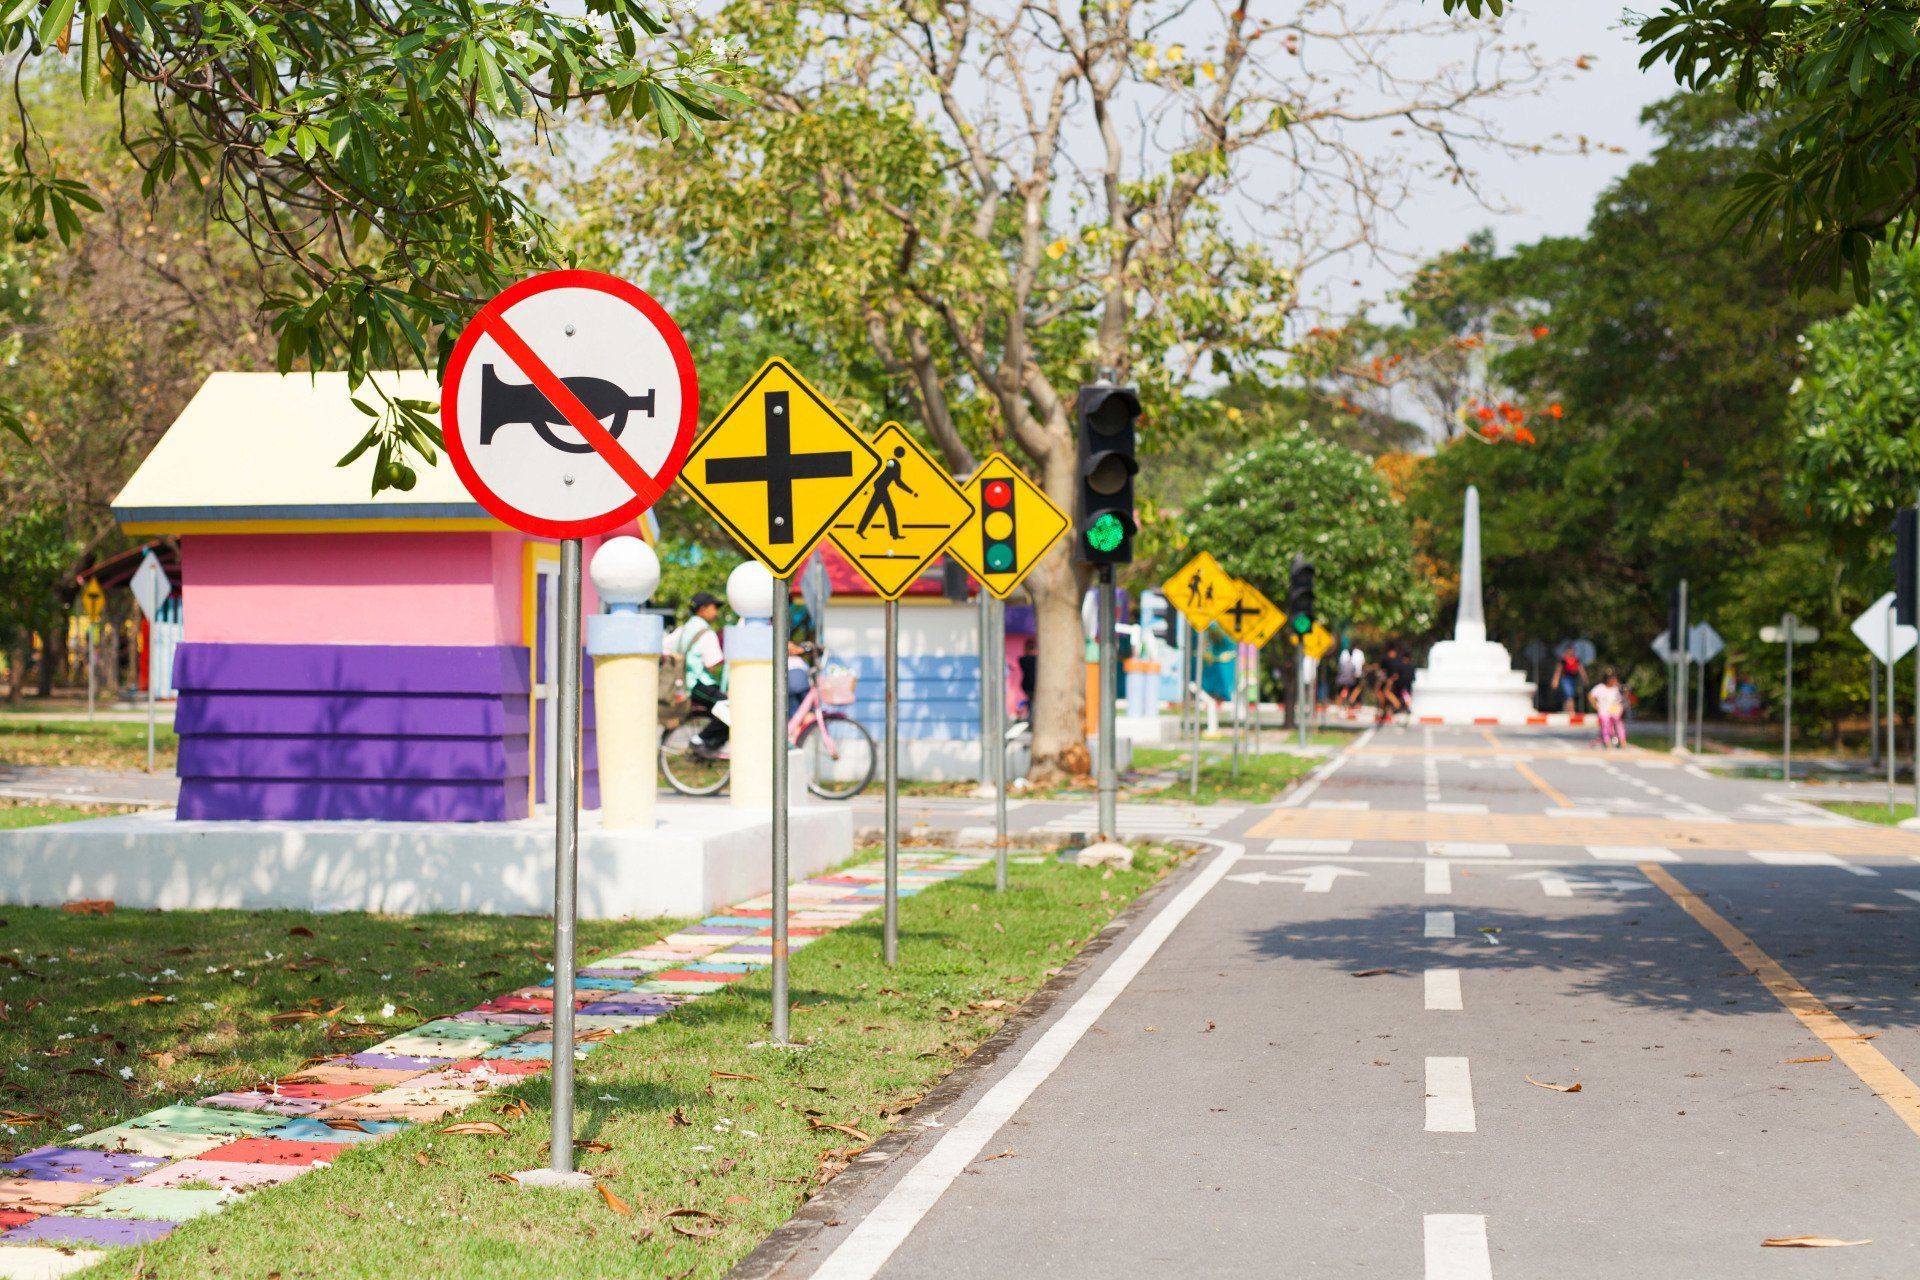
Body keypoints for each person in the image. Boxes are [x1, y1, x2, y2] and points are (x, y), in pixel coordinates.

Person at [666, 592, 727, 753]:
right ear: (703, 608)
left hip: (683, 683)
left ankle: (708, 746)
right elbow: (713, 663)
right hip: (700, 683)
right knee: (729, 709)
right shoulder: (706, 633)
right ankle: (701, 740)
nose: (716, 612)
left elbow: (666, 647)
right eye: (714, 607)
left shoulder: (683, 629)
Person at [1591, 669, 1626, 748]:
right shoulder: (1600, 688)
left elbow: (1623, 697)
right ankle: (1606, 741)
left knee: (1618, 724)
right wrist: (1595, 704)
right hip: (1604, 710)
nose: (1614, 681)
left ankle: (1622, 740)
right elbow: (1591, 695)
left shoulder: (1617, 688)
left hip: (1614, 710)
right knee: (1605, 724)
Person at [1555, 646, 1586, 713]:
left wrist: (1584, 679)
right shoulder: (1563, 660)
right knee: (1569, 694)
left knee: (1570, 694)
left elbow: (1581, 669)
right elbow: (1558, 670)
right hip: (1565, 679)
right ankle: (1572, 710)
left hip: (1573, 679)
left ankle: (1566, 709)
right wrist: (1555, 681)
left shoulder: (1576, 659)